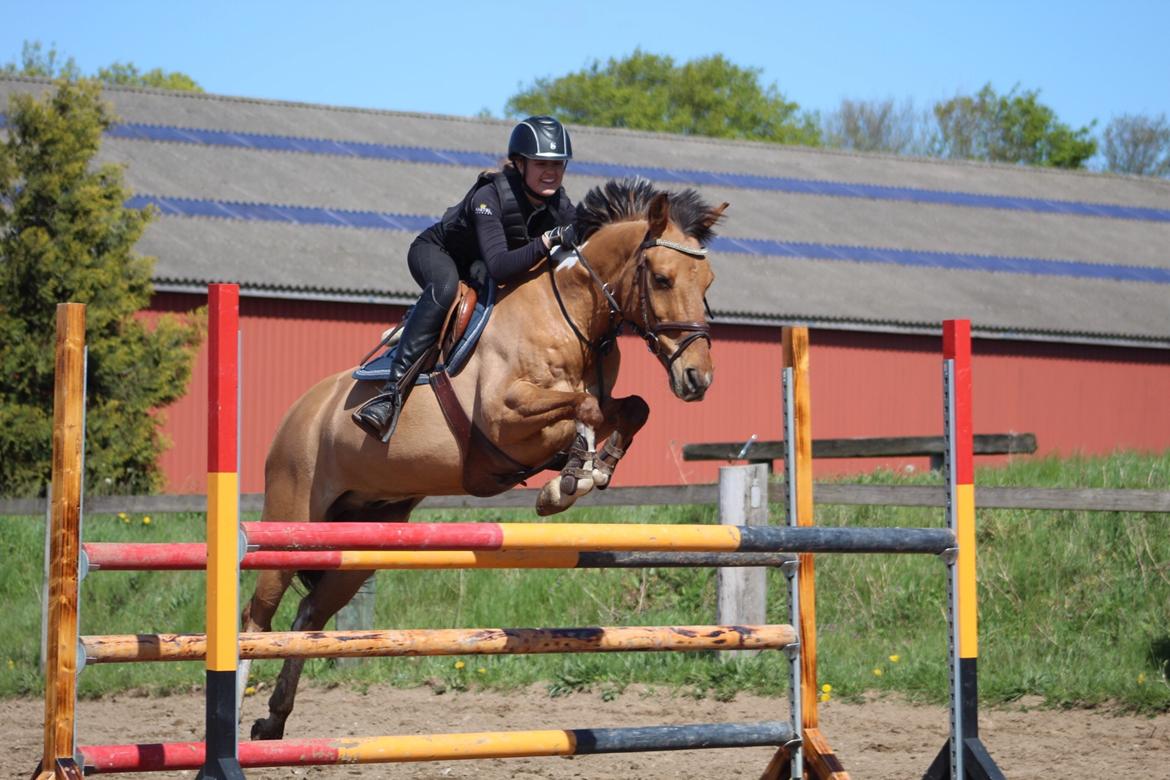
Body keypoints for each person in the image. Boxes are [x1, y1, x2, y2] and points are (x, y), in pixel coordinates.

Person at [353, 115, 579, 442]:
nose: (552, 172)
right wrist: (548, 240)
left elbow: (586, 233)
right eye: (541, 162)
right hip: (440, 254)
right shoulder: (488, 197)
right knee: (445, 289)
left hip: (483, 269)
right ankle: (390, 396)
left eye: (558, 164)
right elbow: (501, 266)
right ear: (519, 163)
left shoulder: (559, 202)